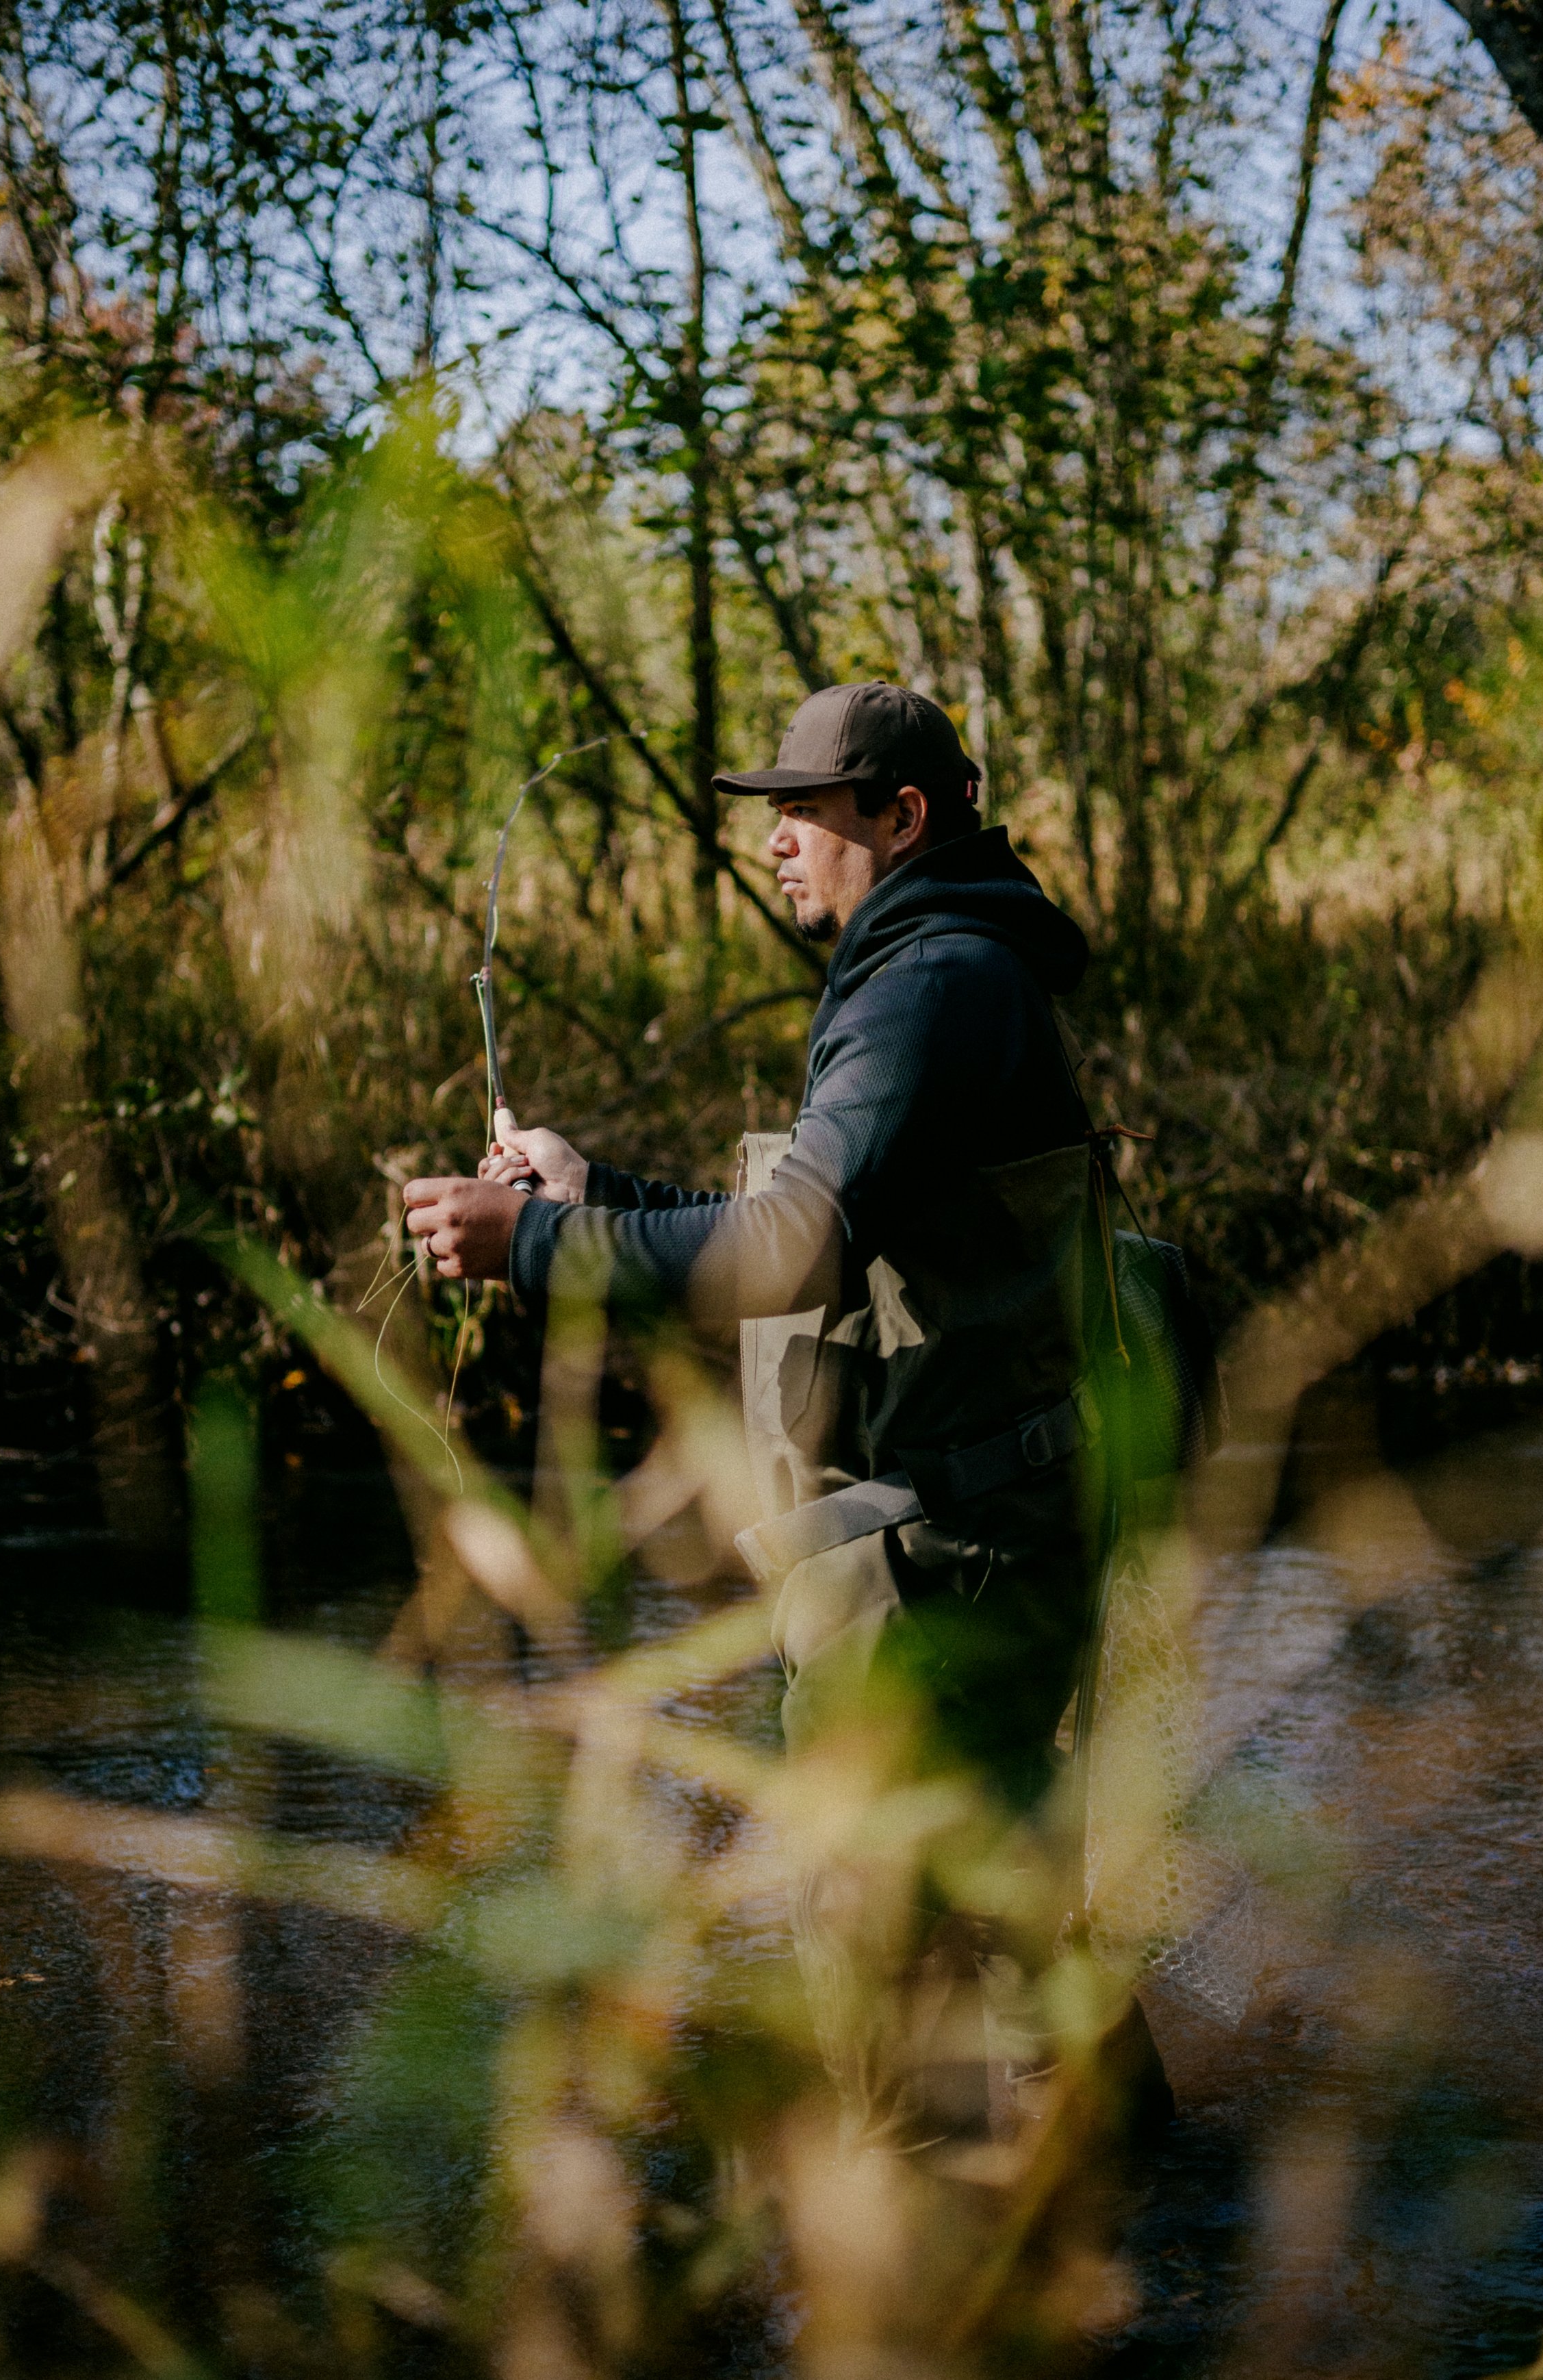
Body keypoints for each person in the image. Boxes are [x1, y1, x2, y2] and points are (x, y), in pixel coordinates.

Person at [402, 681, 1169, 2148]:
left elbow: (787, 1251)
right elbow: (840, 1231)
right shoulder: (945, 967)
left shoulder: (929, 986)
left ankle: (921, 2235)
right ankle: (1152, 2216)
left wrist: (535, 1244)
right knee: (1000, 1906)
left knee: (880, 1927)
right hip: (981, 1519)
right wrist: (596, 1195)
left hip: (938, 1553)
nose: (774, 840)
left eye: (803, 810)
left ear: (902, 815)